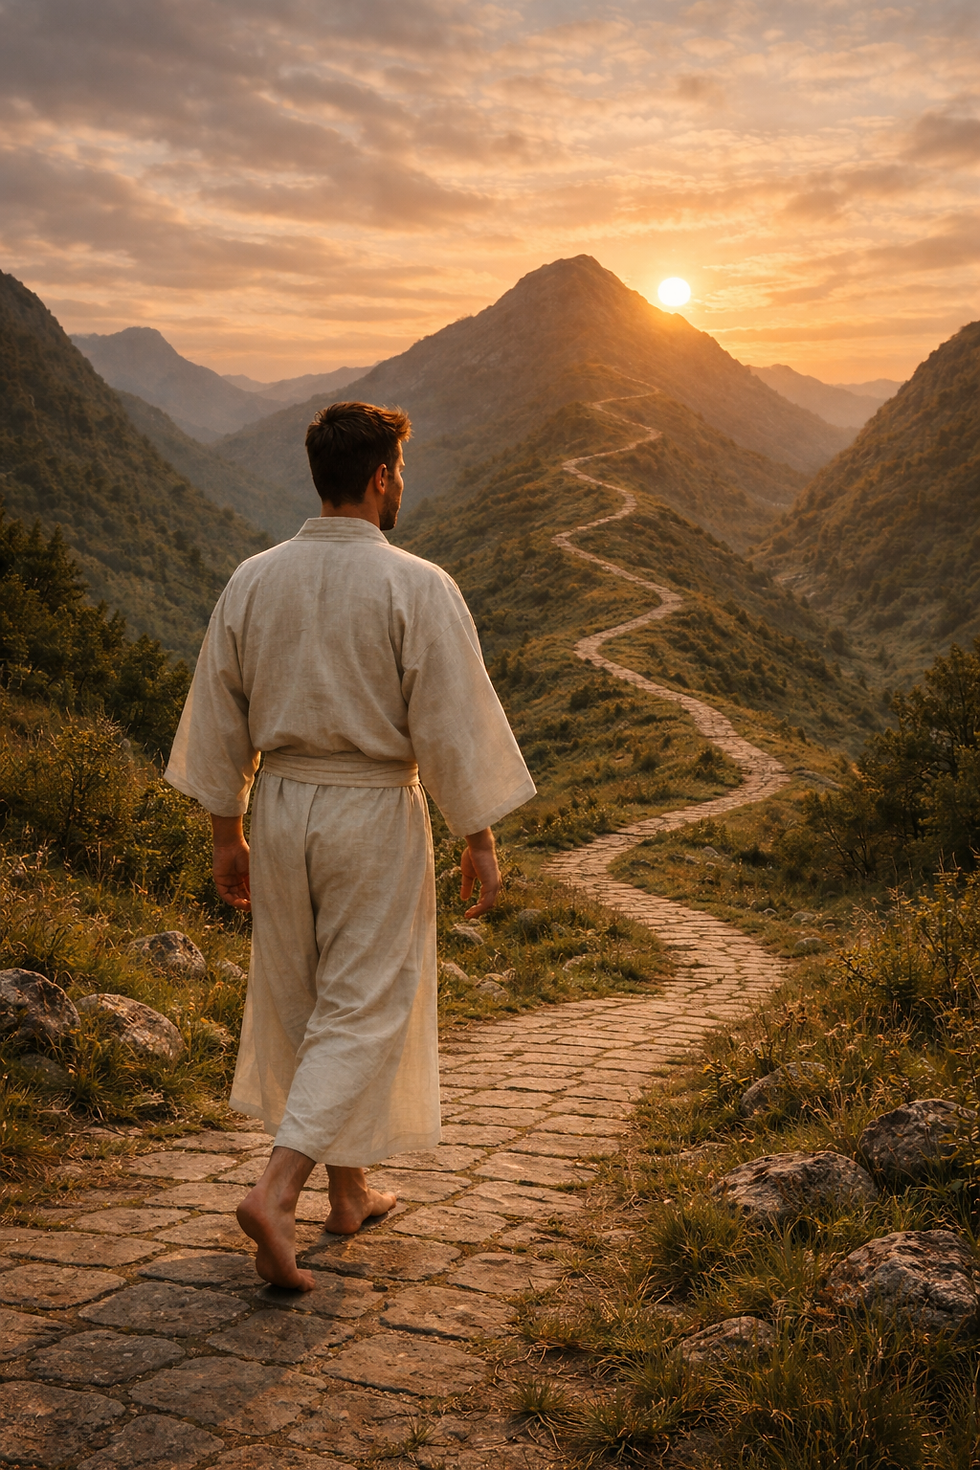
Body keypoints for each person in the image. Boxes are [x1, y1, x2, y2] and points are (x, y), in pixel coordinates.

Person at [165, 401, 534, 1291]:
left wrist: (229, 829)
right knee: (366, 1002)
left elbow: (221, 710)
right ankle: (277, 1190)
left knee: (305, 996)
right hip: (373, 810)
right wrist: (477, 835)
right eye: (399, 471)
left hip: (283, 805)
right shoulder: (415, 585)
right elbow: (447, 724)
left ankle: (351, 1191)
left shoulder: (254, 579)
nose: (400, 484)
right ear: (379, 477)